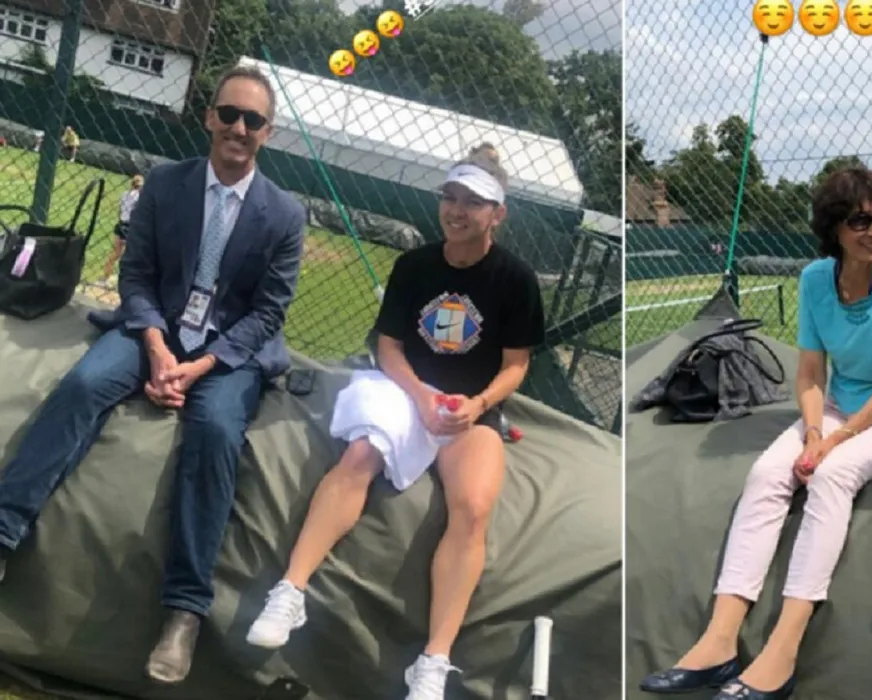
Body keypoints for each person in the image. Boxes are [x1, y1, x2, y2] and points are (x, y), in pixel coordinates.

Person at [0, 66, 305, 684]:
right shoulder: (166, 184)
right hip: (155, 330)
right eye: (228, 114)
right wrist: (158, 347)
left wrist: (203, 365)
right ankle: (4, 534)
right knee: (83, 385)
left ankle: (184, 611)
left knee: (216, 430)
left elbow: (268, 313)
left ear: (268, 132)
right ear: (209, 117)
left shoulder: (284, 213)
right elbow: (136, 275)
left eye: (252, 120)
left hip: (225, 353)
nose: (238, 128)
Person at [244, 144, 546, 700]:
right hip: (406, 392)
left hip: (471, 411)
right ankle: (290, 590)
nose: (456, 210)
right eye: (450, 197)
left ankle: (433, 661)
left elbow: (515, 366)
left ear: (497, 214)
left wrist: (476, 404)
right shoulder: (415, 267)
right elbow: (389, 348)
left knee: (474, 507)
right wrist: (421, 395)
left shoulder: (516, 279)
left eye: (472, 202)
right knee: (361, 454)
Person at [639, 167, 872, 700]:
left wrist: (833, 443)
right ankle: (719, 642)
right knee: (765, 474)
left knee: (832, 476)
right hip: (836, 407)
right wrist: (812, 432)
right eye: (860, 221)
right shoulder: (815, 280)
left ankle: (782, 652)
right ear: (833, 228)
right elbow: (809, 375)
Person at [102, 174, 145, 283]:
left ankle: (105, 276)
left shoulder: (124, 194)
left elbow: (120, 210)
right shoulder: (139, 197)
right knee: (127, 255)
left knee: (115, 253)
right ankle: (124, 279)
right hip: (130, 226)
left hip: (121, 224)